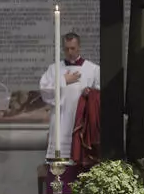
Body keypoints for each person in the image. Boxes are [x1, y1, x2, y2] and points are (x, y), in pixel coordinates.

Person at [39, 32, 99, 161]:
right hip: (61, 120)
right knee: (61, 160)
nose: (69, 52)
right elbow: (44, 89)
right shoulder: (54, 69)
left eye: (73, 48)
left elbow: (99, 95)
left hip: (82, 121)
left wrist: (90, 93)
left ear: (79, 47)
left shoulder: (93, 69)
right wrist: (63, 80)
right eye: (66, 49)